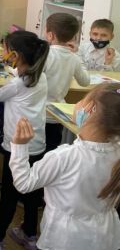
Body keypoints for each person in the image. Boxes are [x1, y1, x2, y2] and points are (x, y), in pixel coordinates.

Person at [9, 83, 120, 250]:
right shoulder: (116, 153)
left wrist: (19, 146)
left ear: (90, 109)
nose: (76, 105)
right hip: (103, 240)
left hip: (64, 242)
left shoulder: (64, 157)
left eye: (81, 100)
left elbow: (24, 183)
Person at [0, 30, 49, 250]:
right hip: (37, 145)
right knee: (32, 195)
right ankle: (30, 236)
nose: (3, 52)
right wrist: (11, 70)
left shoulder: (19, 84)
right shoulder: (39, 76)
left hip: (17, 147)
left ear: (15, 56)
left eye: (5, 50)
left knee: (9, 196)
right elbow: (19, 80)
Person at [43, 13, 90, 152]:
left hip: (36, 114)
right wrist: (77, 56)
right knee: (50, 152)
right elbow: (85, 81)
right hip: (57, 115)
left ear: (50, 35)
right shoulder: (73, 58)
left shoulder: (44, 54)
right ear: (74, 37)